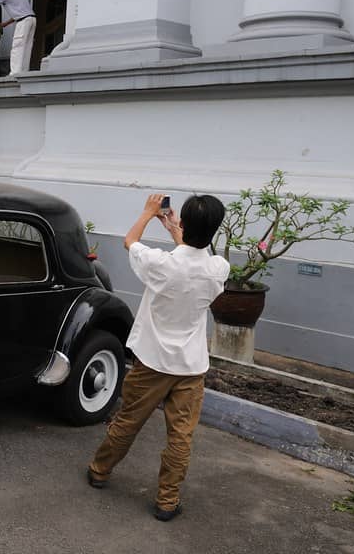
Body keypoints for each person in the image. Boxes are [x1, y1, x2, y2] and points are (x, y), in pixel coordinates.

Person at [87, 193, 230, 522]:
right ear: (215, 230)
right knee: (180, 436)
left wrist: (149, 213)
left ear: (184, 224)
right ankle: (167, 501)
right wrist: (176, 232)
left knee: (128, 421)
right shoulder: (218, 268)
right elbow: (196, 254)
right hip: (191, 366)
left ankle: (99, 471)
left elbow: (130, 241)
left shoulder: (160, 264)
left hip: (152, 362)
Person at [0, 0, 36, 76]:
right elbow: (20, 12)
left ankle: (15, 72)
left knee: (17, 46)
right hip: (32, 19)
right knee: (27, 46)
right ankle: (24, 71)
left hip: (23, 22)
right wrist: (4, 24)